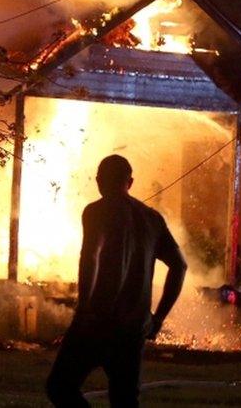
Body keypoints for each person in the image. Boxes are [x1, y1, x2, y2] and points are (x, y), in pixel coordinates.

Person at [46, 155, 187, 407]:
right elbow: (180, 265)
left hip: (96, 321)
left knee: (60, 387)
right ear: (130, 182)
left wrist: (84, 309)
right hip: (133, 328)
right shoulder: (152, 219)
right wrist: (157, 318)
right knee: (124, 400)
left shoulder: (95, 212)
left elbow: (89, 260)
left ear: (98, 181)